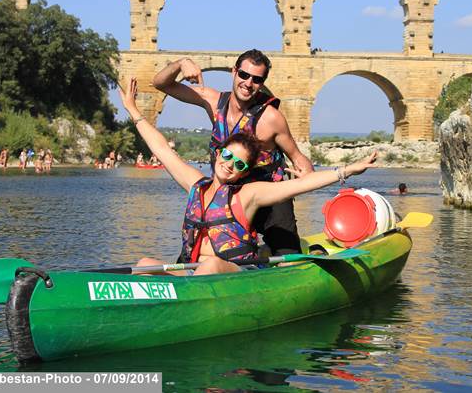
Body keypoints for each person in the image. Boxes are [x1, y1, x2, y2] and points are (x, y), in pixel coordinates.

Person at [122, 77, 376, 276]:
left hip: (234, 275)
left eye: (240, 164)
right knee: (145, 263)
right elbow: (162, 150)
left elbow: (300, 185)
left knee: (210, 266)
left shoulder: (248, 194)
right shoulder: (196, 185)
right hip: (190, 272)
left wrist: (346, 170)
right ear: (219, 153)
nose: (230, 165)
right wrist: (133, 111)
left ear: (245, 172)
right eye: (228, 156)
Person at [152, 49, 314, 256]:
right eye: (244, 75)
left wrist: (307, 175)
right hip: (229, 194)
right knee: (197, 250)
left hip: (269, 198)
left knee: (288, 255)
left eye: (256, 79)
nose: (248, 83)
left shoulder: (271, 118)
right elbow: (160, 84)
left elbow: (298, 157)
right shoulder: (213, 101)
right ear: (234, 72)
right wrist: (180, 63)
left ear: (262, 82)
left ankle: (279, 257)